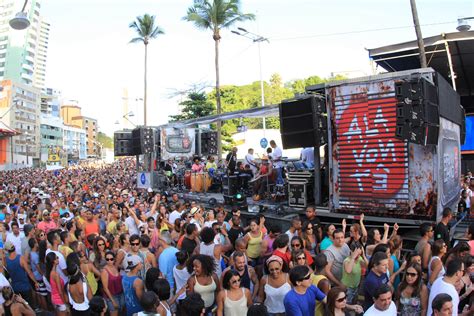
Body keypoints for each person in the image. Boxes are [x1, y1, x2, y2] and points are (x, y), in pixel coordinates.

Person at [4, 240, 37, 307]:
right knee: (28, 306)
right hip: (25, 287)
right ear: (14, 248)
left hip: (15, 288)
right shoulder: (20, 258)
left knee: (21, 306)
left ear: (7, 250)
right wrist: (35, 282)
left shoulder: (6, 260)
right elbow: (29, 272)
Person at [100, 250, 124, 316]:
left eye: (111, 259)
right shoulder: (104, 271)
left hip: (120, 294)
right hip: (111, 296)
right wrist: (113, 301)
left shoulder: (115, 267)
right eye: (107, 259)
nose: (109, 261)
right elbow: (105, 288)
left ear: (114, 259)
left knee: (121, 312)